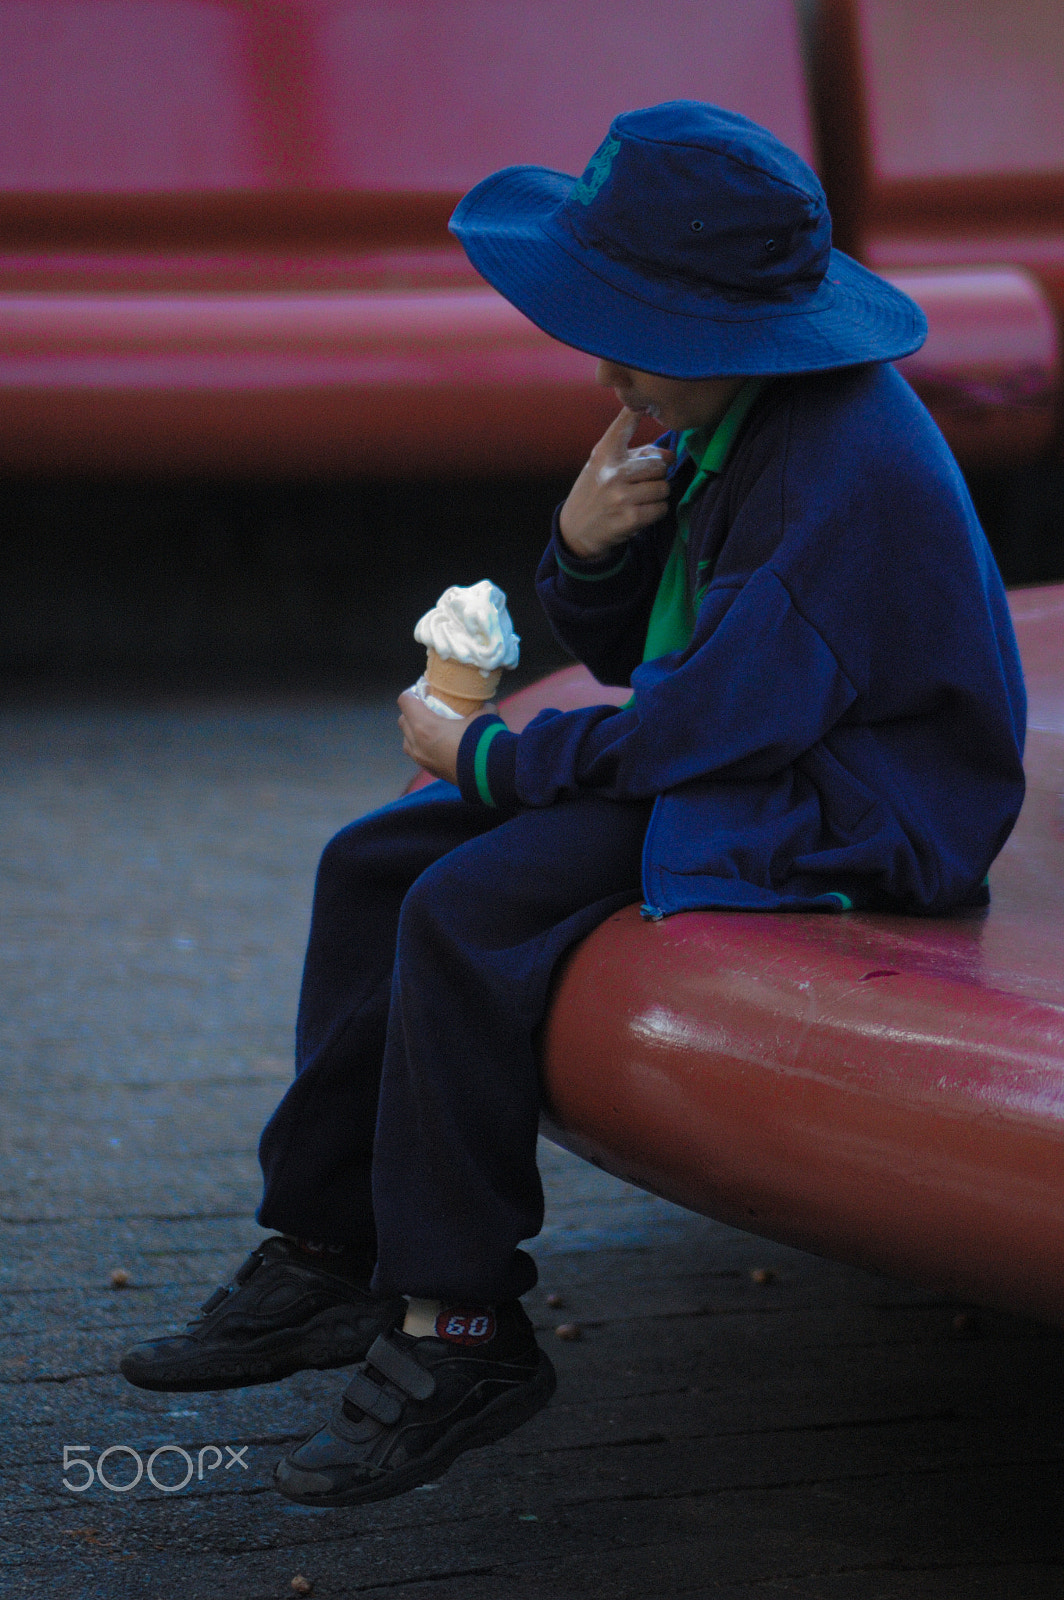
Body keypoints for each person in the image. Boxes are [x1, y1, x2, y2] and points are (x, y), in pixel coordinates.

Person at [119, 102, 1026, 1507]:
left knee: (467, 910)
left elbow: (698, 723)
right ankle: (326, 1253)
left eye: (628, 327)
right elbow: (635, 659)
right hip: (755, 754)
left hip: (851, 802)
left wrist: (485, 759)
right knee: (376, 865)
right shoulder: (725, 417)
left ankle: (460, 1327)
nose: (601, 360)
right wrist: (584, 544)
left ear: (735, 336)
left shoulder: (839, 475)